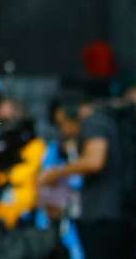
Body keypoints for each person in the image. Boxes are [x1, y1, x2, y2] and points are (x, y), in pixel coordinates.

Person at [41, 95, 127, 258]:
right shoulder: (107, 122)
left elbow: (94, 162)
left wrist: (55, 173)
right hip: (114, 214)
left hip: (102, 218)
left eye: (62, 124)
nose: (64, 132)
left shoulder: (92, 123)